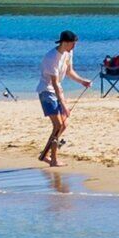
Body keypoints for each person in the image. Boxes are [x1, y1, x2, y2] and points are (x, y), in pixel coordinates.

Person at [37, 29, 79, 166]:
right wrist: (65, 105)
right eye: (73, 43)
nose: (75, 46)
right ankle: (53, 159)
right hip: (46, 91)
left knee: (63, 125)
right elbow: (54, 83)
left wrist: (83, 81)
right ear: (65, 43)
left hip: (57, 91)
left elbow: (69, 71)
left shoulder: (68, 53)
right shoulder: (51, 58)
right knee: (58, 125)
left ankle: (45, 155)